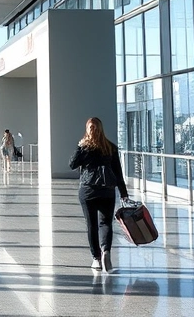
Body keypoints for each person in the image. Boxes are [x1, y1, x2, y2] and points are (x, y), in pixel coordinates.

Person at [68, 117, 128, 273]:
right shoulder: (110, 148)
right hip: (107, 190)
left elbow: (72, 164)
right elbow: (118, 173)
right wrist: (123, 193)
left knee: (92, 225)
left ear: (88, 129)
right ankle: (106, 250)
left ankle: (96, 259)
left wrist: (80, 147)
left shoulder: (85, 147)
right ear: (101, 129)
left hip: (88, 190)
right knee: (106, 223)